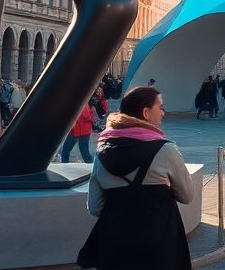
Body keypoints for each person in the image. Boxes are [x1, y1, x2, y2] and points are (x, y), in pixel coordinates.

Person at [78, 86, 192, 270]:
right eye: (160, 107)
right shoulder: (166, 150)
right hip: (159, 246)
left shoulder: (101, 153)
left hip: (115, 245)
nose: (163, 112)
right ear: (146, 113)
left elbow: (95, 206)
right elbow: (186, 196)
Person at [61, 93, 97, 164]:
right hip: (78, 130)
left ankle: (91, 166)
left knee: (70, 150)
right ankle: (91, 166)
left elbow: (86, 116)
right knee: (81, 151)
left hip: (80, 130)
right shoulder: (83, 103)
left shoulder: (82, 103)